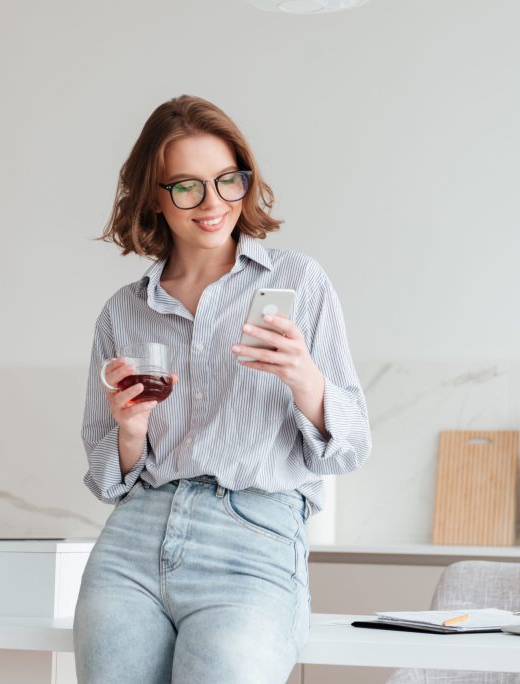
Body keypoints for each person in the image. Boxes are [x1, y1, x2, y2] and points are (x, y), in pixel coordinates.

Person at [73, 94, 372, 684]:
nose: (213, 204)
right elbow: (108, 476)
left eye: (227, 181)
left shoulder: (298, 281)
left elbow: (353, 444)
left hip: (253, 538)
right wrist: (130, 429)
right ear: (153, 198)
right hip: (133, 541)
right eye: (186, 187)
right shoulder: (124, 313)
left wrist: (304, 379)